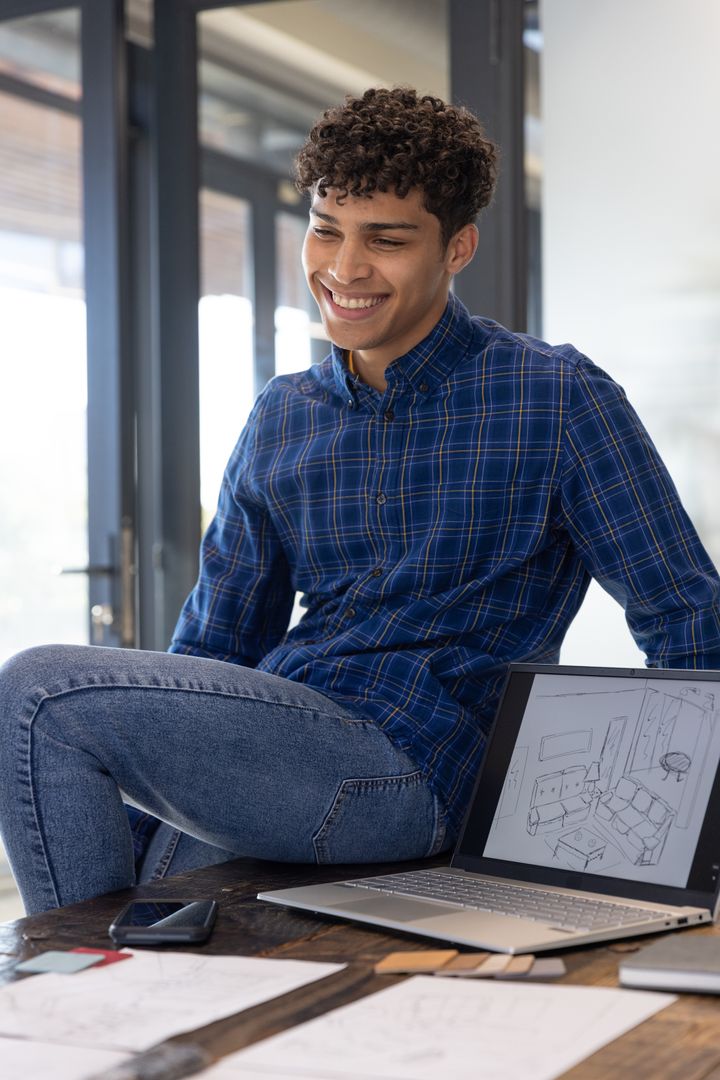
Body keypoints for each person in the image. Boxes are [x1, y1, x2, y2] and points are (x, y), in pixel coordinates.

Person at [1, 88, 719, 915]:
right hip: (289, 744)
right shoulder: (283, 412)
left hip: (415, 766)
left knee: (38, 692)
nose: (343, 269)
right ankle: (94, 980)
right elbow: (218, 646)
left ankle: (71, 961)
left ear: (458, 247)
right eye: (325, 229)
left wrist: (686, 848)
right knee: (158, 925)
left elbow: (685, 614)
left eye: (386, 239)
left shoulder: (554, 394)